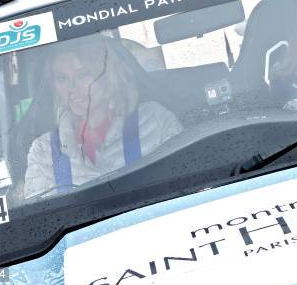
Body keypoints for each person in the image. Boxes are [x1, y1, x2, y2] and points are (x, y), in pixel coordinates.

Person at [24, 34, 182, 199]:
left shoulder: (155, 120)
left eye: (83, 75)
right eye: (62, 79)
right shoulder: (43, 151)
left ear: (109, 75)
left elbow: (184, 187)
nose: (72, 89)